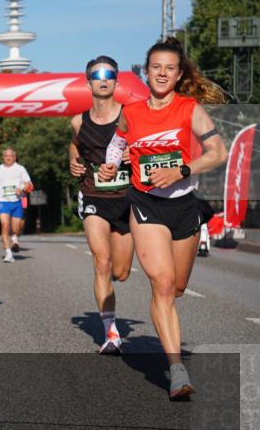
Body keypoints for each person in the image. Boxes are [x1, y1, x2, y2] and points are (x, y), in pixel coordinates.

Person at [99, 37, 227, 399]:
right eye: (156, 67)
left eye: (170, 68)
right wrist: (111, 165)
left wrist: (181, 170)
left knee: (178, 287)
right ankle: (176, 370)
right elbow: (117, 143)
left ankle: (172, 352)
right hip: (146, 204)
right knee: (164, 284)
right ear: (146, 71)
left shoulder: (190, 109)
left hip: (184, 206)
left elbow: (218, 152)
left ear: (179, 74)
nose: (162, 73)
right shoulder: (132, 111)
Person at [68, 55, 134, 354]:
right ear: (88, 83)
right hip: (93, 196)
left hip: (126, 198)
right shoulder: (78, 121)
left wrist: (135, 154)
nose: (103, 79)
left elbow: (149, 147)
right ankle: (111, 333)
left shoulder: (130, 116)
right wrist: (73, 161)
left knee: (121, 271)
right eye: (97, 75)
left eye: (109, 75)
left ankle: (111, 296)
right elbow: (74, 144)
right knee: (101, 262)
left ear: (116, 82)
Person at [0, 147, 32, 263]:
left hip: (17, 202)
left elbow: (28, 183)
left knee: (16, 228)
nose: (8, 158)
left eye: (11, 156)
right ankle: (8, 253)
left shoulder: (20, 169)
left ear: (15, 157)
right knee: (5, 225)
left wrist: (22, 189)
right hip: (3, 202)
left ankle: (15, 237)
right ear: (3, 157)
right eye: (6, 156)